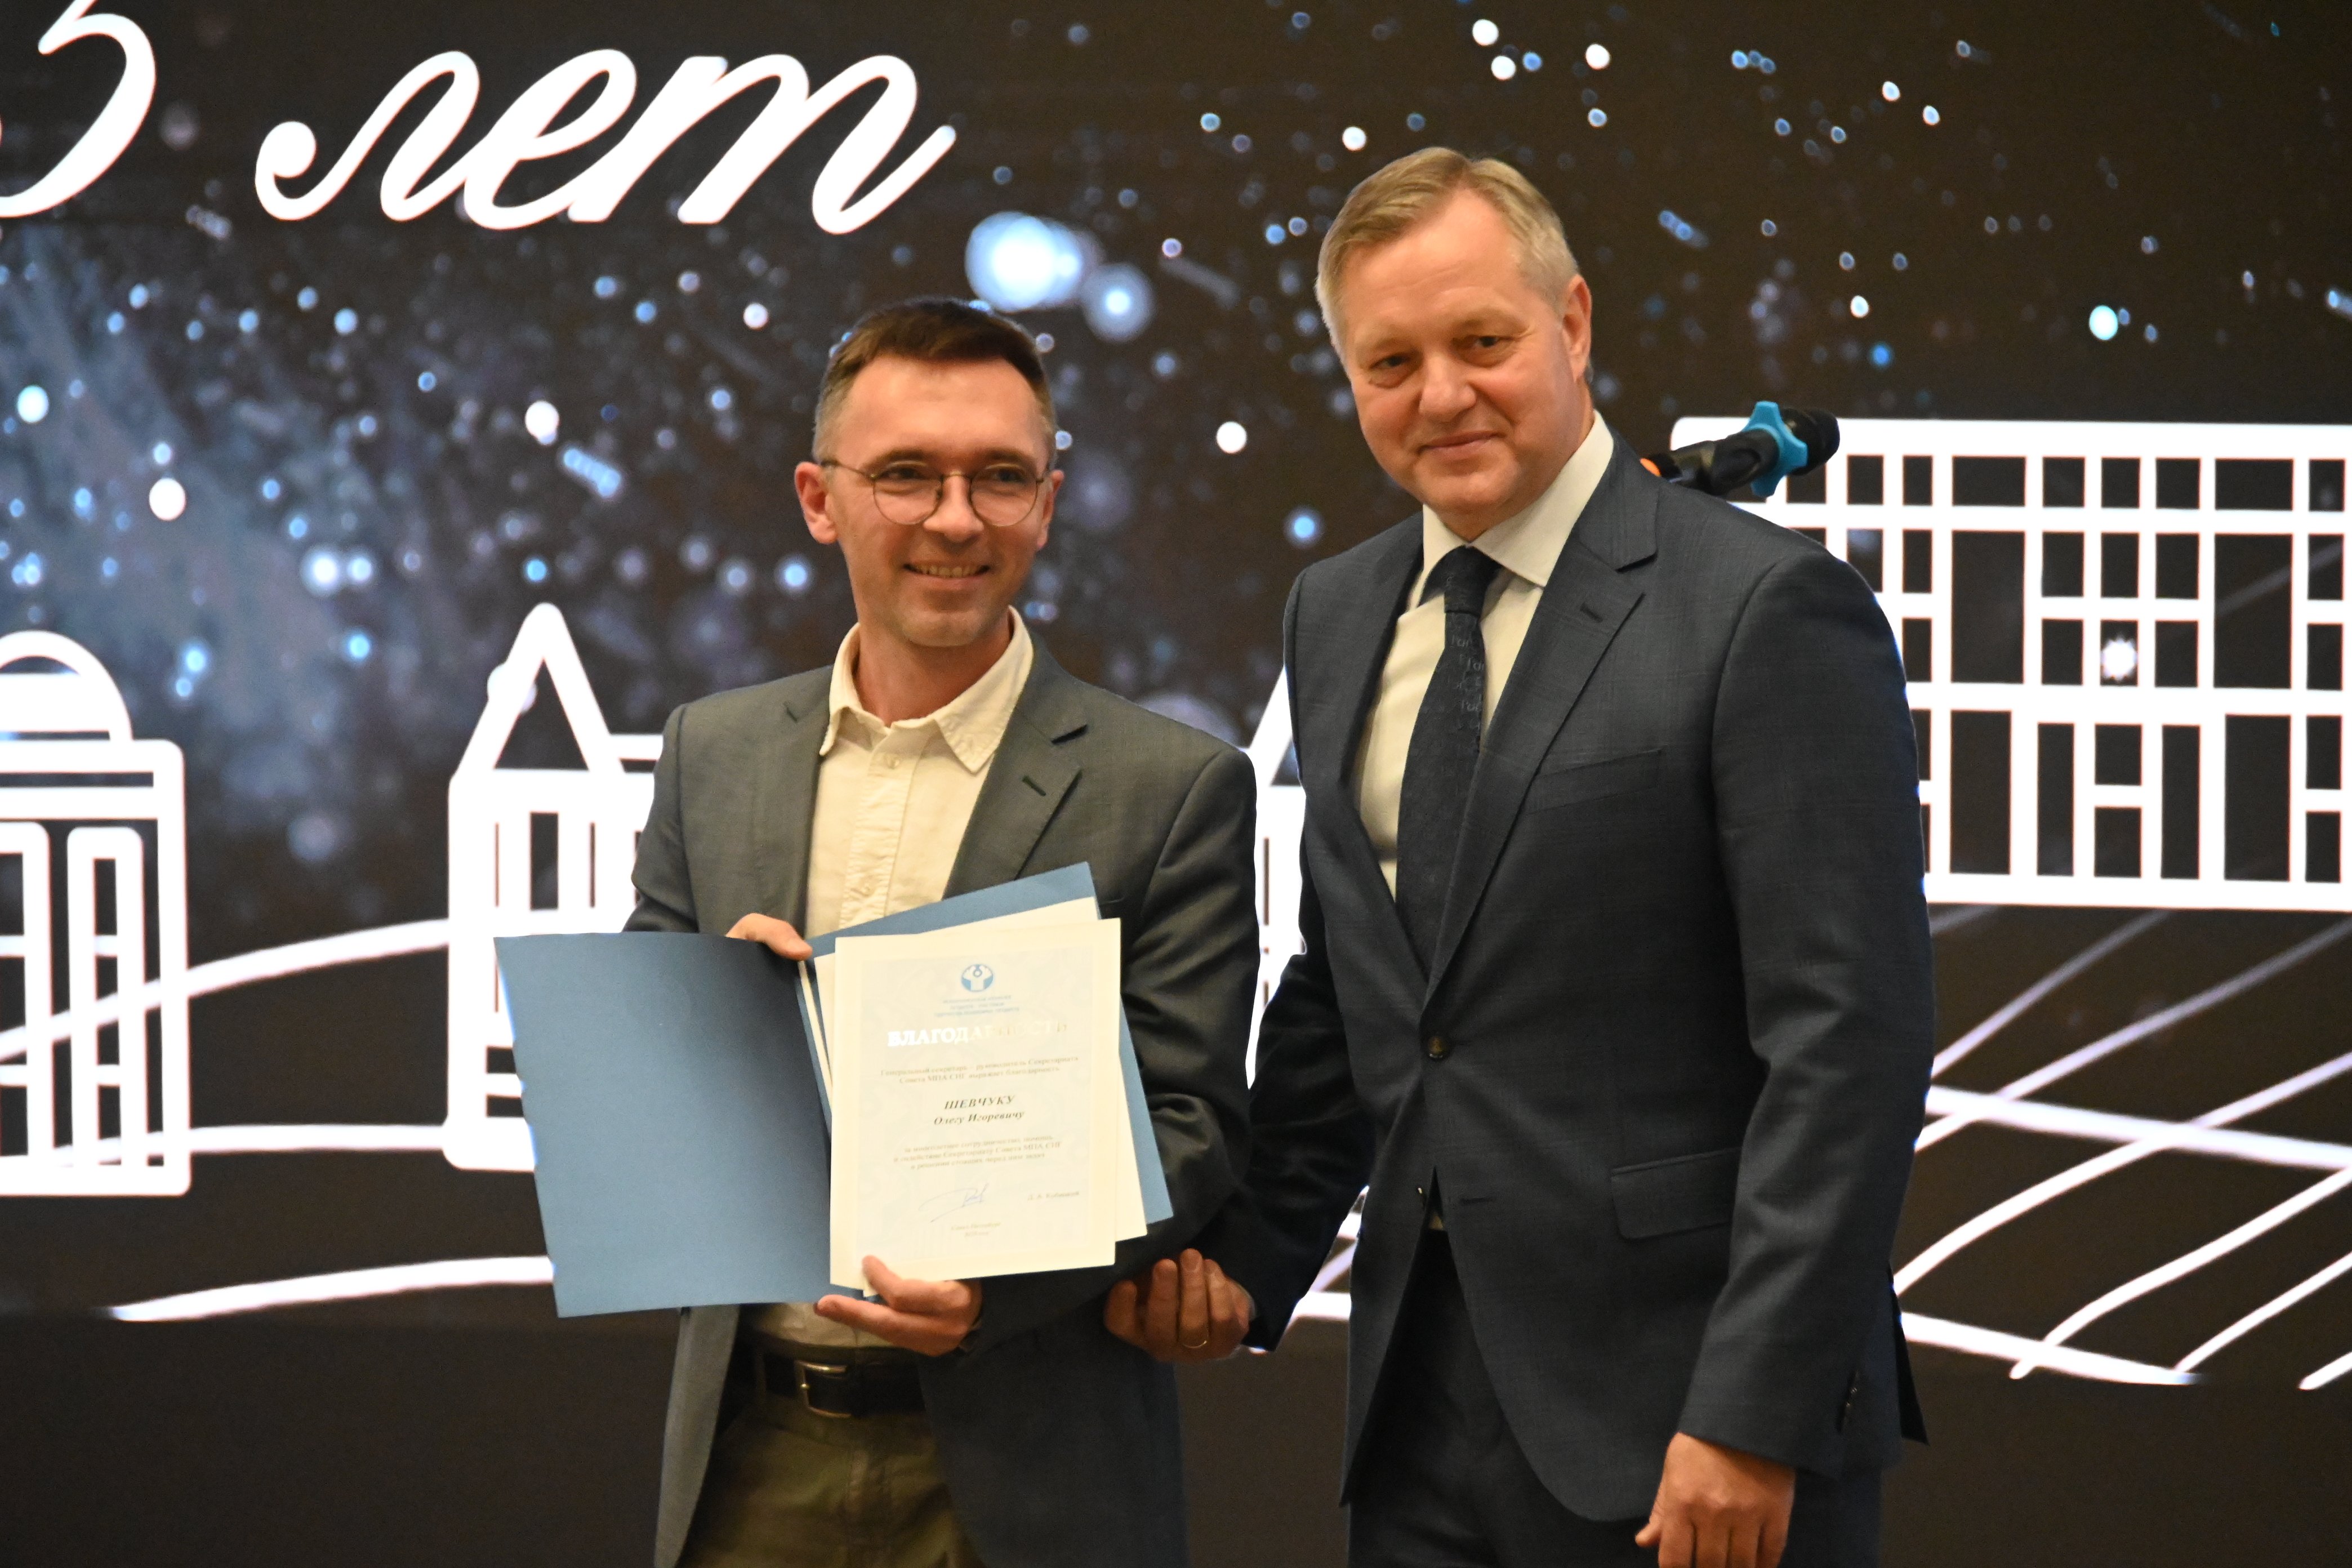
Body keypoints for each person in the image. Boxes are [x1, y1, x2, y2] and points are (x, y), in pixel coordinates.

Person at [1111, 149, 1933, 1568]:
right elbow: (1358, 989)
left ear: (1574, 322)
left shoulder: (1767, 607)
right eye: (1391, 362)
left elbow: (1847, 1046)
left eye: (1481, 342)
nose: (1441, 396)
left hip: (1695, 1430)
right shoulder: (1336, 612)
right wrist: (1246, 1263)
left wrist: (1753, 1413)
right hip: (1418, 1423)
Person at [626, 298, 1260, 1568]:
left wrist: (990, 1292)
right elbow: (639, 1079)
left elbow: (1187, 1123)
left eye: (1000, 478)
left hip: (1032, 1469)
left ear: (1049, 502)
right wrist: (719, 1013)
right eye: (906, 474)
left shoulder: (1173, 786)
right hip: (751, 1456)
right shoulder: (712, 752)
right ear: (820, 498)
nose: (956, 519)